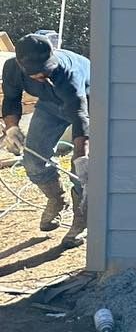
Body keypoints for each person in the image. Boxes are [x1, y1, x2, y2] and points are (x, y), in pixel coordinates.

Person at [2, 30, 89, 243]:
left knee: (81, 170)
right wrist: (11, 128)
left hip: (90, 103)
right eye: (38, 72)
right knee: (33, 160)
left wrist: (82, 159)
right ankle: (57, 199)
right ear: (21, 64)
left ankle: (82, 217)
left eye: (46, 69)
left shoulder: (68, 72)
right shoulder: (12, 69)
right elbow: (11, 100)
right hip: (49, 106)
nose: (44, 75)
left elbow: (80, 118)